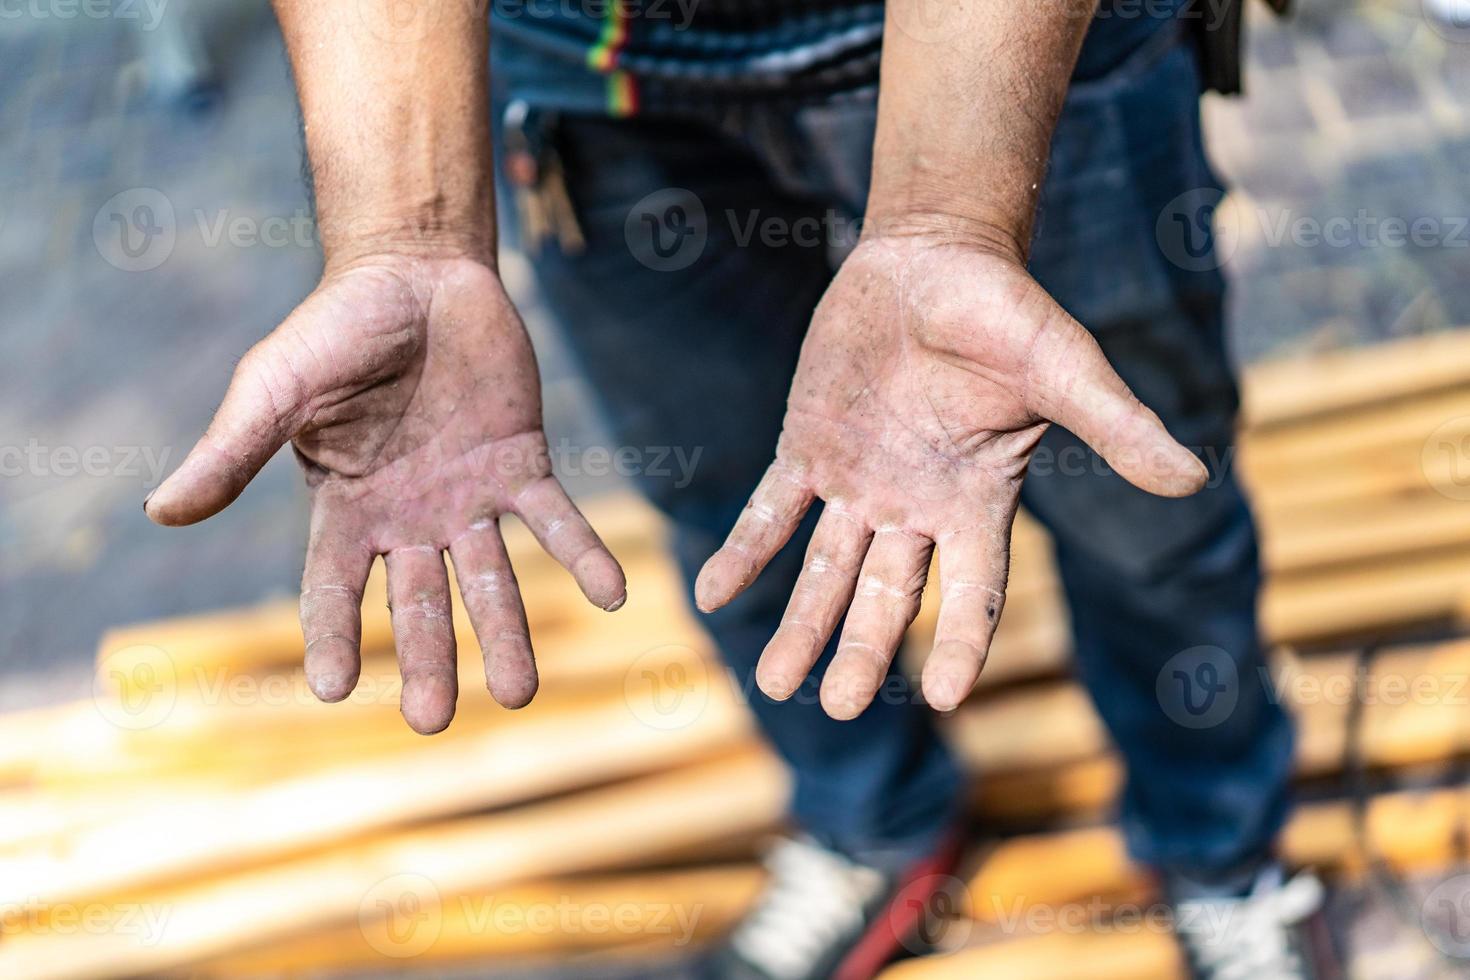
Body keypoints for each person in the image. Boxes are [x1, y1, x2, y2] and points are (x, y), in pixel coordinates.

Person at [144, 0, 1338, 976]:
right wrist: (402, 238)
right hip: (589, 68)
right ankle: (874, 821)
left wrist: (951, 216)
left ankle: (1219, 844)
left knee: (1139, 510)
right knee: (737, 502)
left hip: (1021, 43)